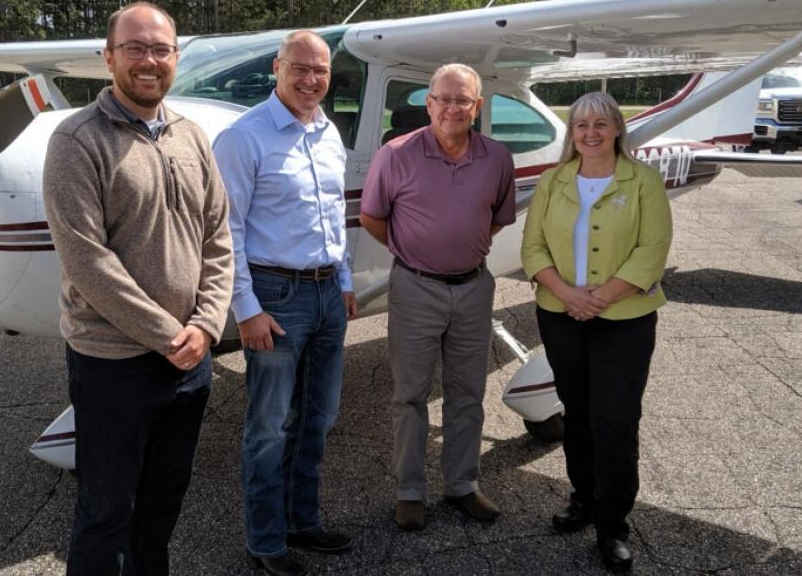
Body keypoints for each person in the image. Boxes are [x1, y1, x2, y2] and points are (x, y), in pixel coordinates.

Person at [43, 1, 234, 576]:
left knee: (163, 501)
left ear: (175, 58)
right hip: (112, 363)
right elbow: (86, 259)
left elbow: (218, 236)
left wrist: (205, 326)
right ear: (108, 58)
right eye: (135, 48)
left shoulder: (191, 136)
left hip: (189, 360)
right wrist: (171, 333)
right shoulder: (76, 140)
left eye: (161, 49)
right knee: (106, 511)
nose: (149, 61)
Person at [213, 30, 358, 576]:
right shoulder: (243, 138)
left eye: (320, 70)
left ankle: (303, 520)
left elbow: (333, 215)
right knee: (269, 425)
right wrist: (245, 308)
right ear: (277, 68)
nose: (311, 79)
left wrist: (343, 279)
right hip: (275, 295)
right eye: (299, 67)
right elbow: (224, 230)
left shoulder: (326, 133)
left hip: (325, 293)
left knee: (318, 418)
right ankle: (267, 542)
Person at [519, 92, 672, 573]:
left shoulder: (644, 181)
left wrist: (598, 298)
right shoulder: (553, 181)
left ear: (617, 129)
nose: (590, 133)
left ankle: (613, 524)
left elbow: (652, 249)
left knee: (616, 422)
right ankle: (584, 499)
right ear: (572, 133)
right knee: (578, 414)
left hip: (623, 320)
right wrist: (568, 294)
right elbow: (533, 247)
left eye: (601, 124)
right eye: (581, 125)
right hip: (561, 315)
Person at [359, 63, 516, 532]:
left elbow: (496, 218)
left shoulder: (497, 158)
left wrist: (456, 250)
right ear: (428, 103)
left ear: (478, 106)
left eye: (463, 100)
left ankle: (462, 484)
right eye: (443, 99)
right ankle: (410, 491)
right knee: (410, 395)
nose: (452, 108)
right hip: (414, 287)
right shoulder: (395, 154)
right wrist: (416, 251)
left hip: (473, 287)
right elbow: (373, 217)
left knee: (468, 392)